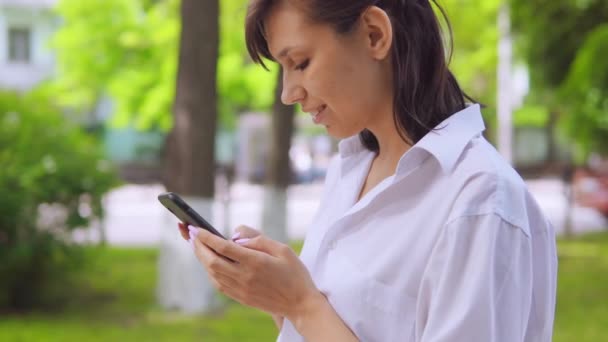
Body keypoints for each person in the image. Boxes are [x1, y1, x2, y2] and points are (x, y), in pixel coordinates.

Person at [177, 0, 558, 341]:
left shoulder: (479, 199)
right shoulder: (351, 169)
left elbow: (313, 315)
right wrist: (273, 292)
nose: (288, 93)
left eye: (301, 63)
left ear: (374, 35)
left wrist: (302, 304)